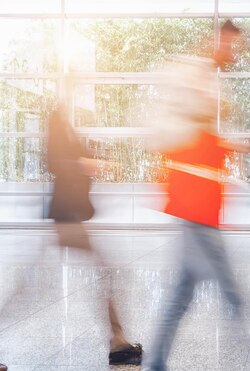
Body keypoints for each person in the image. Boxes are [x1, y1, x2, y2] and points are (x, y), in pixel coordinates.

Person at [142, 20, 246, 371]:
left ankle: (154, 363)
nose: (233, 53)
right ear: (214, 40)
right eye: (230, 45)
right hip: (196, 202)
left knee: (183, 292)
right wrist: (221, 137)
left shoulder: (205, 80)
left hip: (201, 202)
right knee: (232, 295)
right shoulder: (190, 75)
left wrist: (231, 142)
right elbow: (178, 138)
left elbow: (198, 140)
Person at [47, 105, 143, 365]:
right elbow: (53, 161)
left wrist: (87, 164)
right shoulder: (57, 122)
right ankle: (117, 342)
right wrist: (82, 163)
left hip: (71, 216)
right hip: (65, 217)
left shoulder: (67, 125)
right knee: (106, 270)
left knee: (106, 270)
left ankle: (118, 341)